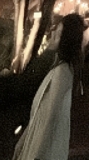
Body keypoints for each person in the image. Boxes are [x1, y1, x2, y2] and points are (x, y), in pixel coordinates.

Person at [12, 13, 84, 160]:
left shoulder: (62, 72)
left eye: (57, 34)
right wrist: (23, 141)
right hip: (38, 140)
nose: (52, 36)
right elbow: (40, 114)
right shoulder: (59, 69)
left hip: (44, 148)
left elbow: (50, 117)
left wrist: (36, 153)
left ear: (64, 39)